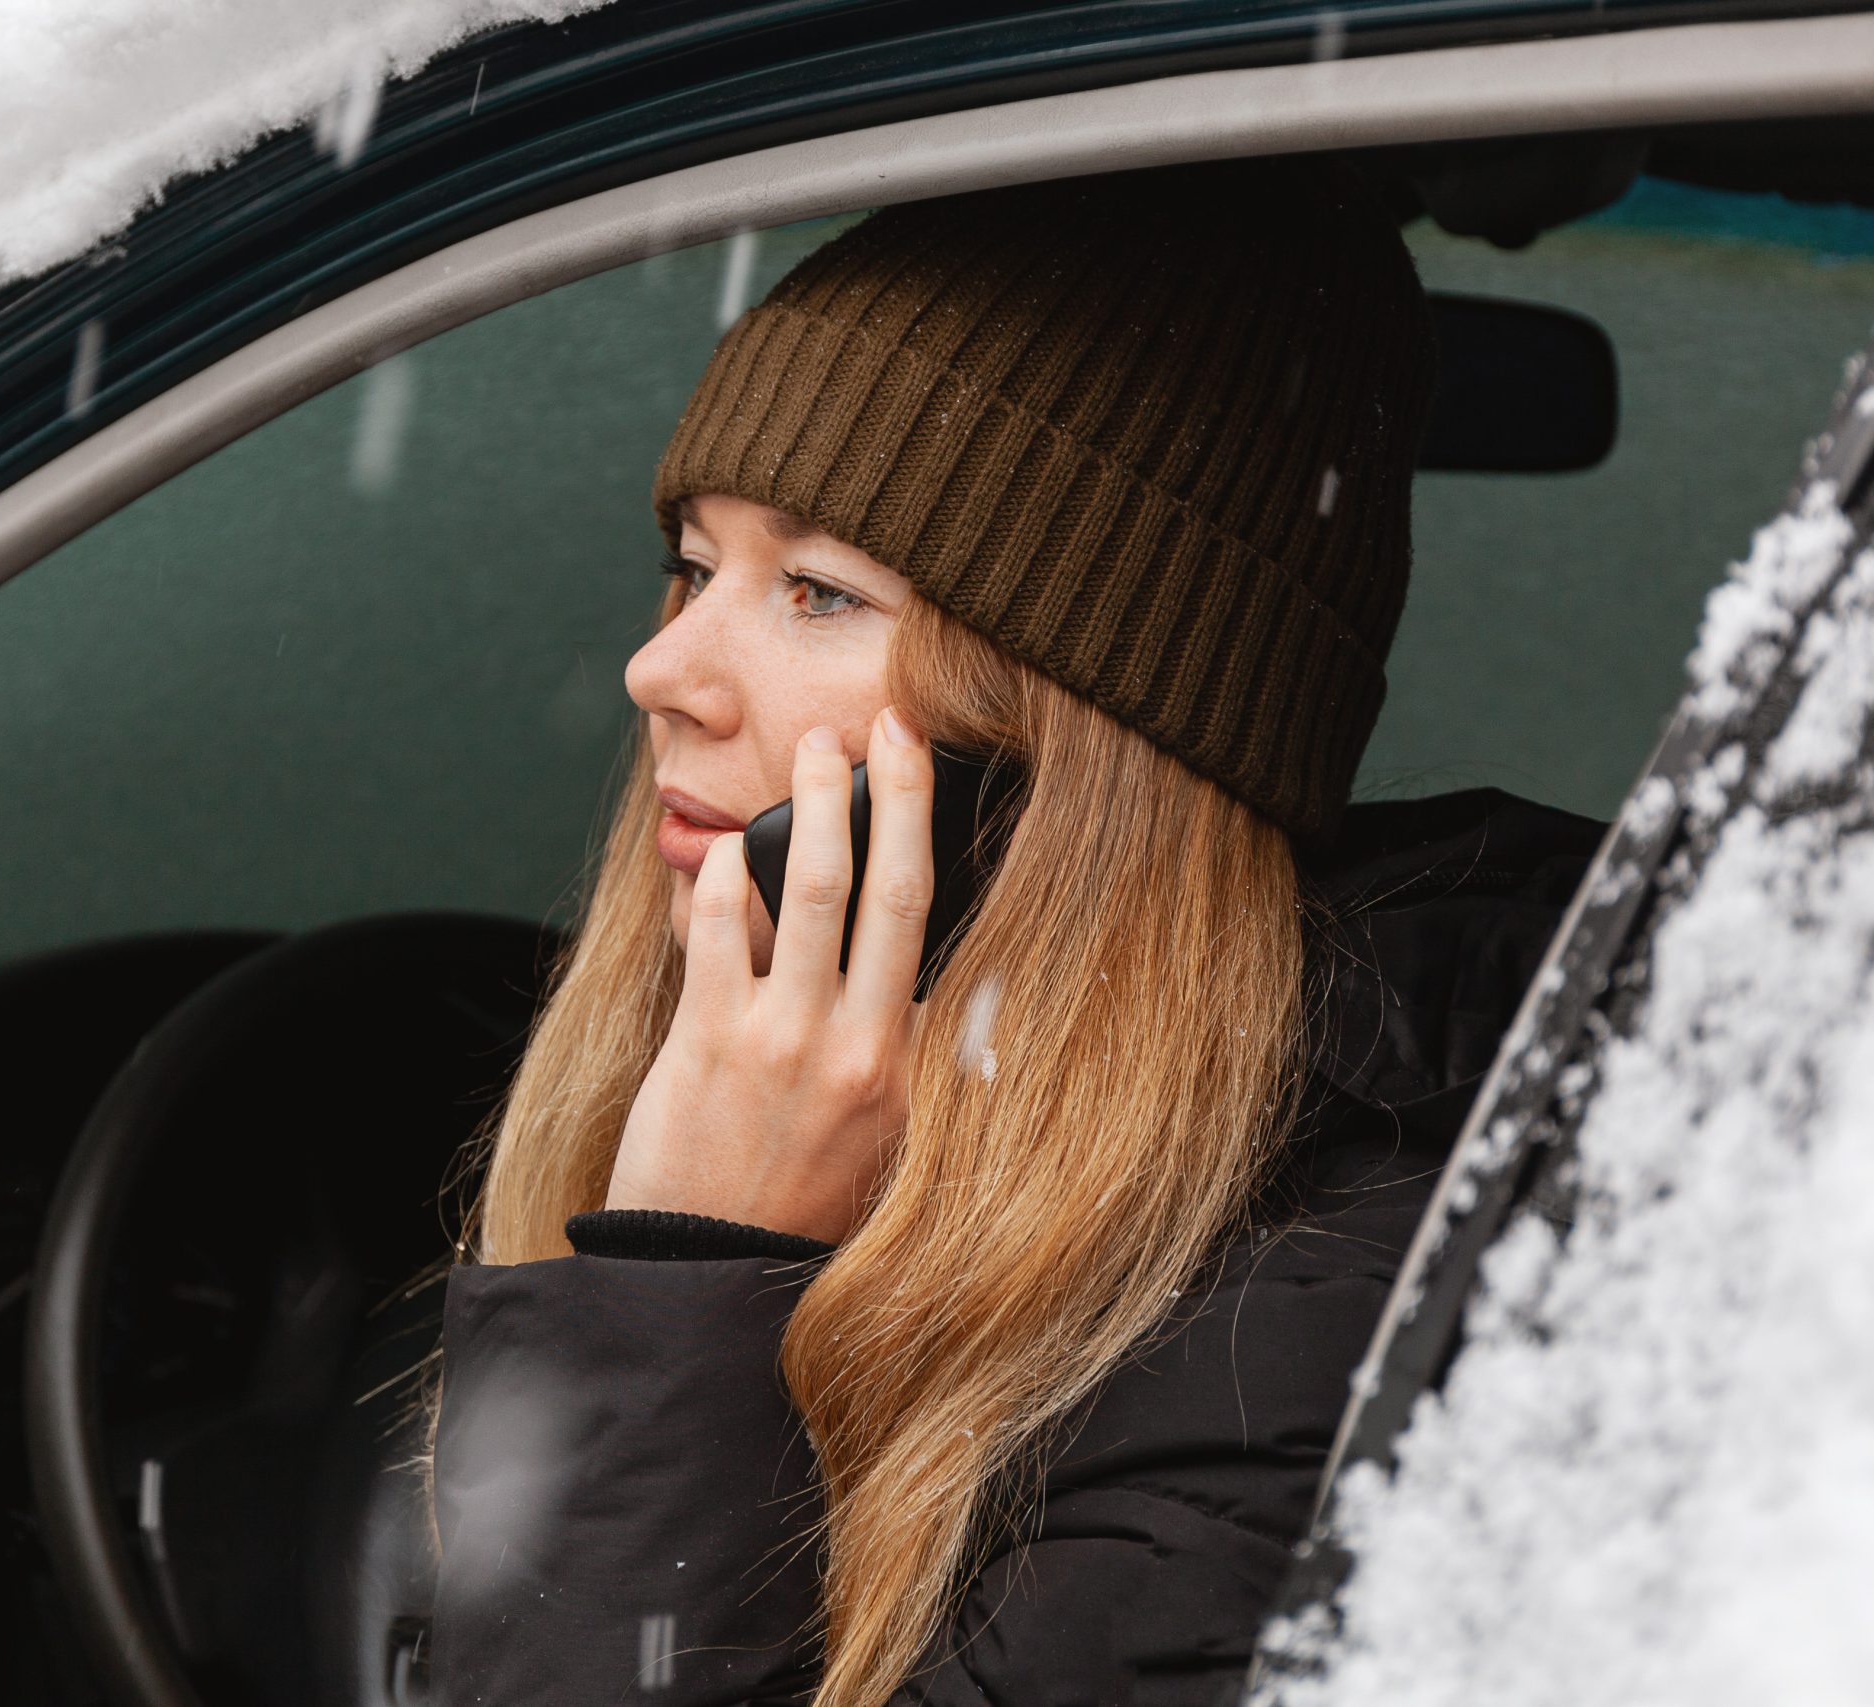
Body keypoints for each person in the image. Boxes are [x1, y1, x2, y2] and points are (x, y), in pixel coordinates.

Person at [427, 158, 1602, 1705]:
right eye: (695, 566)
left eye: (821, 594)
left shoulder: (1304, 1330)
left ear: (1079, 741)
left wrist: (690, 1277)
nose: (667, 671)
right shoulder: (920, 1104)